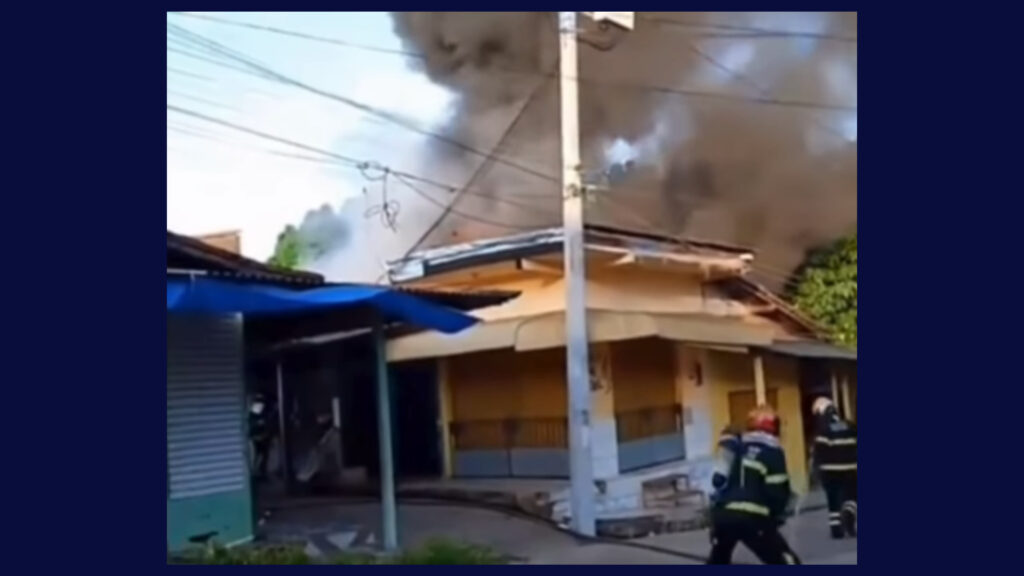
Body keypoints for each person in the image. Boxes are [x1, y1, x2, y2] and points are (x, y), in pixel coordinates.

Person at [707, 405, 801, 565]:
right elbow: (777, 493)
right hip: (753, 518)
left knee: (718, 560)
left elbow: (718, 482)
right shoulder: (773, 452)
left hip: (723, 516)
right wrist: (777, 516)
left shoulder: (736, 446)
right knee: (784, 561)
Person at [811, 396, 858, 538]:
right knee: (852, 496)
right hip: (851, 468)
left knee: (833, 500)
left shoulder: (823, 431)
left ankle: (836, 529)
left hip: (829, 470)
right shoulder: (850, 426)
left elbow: (818, 452)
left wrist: (815, 469)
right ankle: (849, 513)